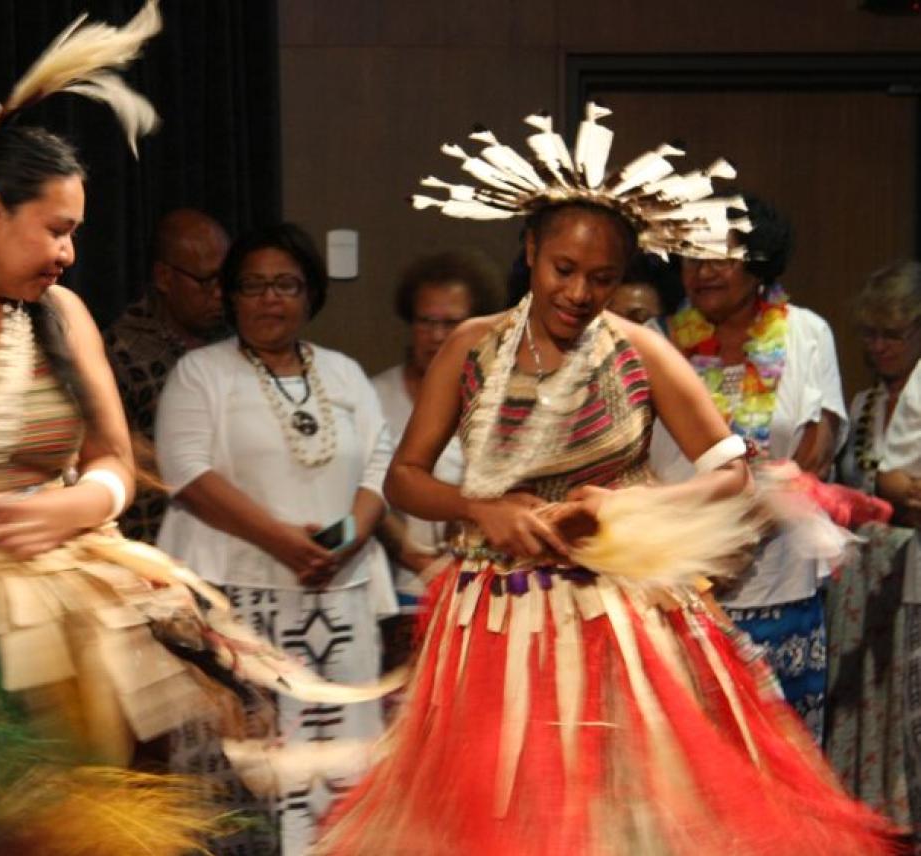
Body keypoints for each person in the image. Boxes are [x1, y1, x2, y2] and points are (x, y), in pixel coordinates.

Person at [0, 7, 367, 850]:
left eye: (74, 233)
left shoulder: (65, 317)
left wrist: (66, 509)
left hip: (54, 599)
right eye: (57, 229)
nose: (69, 253)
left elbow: (116, 464)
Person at [320, 104, 894, 854]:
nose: (580, 293)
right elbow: (405, 479)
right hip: (491, 614)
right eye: (564, 270)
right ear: (529, 250)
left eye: (603, 278)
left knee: (621, 818)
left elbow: (733, 474)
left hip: (614, 615)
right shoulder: (471, 346)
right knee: (500, 817)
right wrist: (478, 508)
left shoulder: (639, 349)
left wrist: (639, 504)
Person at [154, 222, 394, 854]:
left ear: (309, 294)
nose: (269, 299)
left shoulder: (343, 374)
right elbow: (186, 473)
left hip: (335, 599)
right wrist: (285, 542)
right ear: (230, 296)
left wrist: (339, 541)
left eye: (284, 284)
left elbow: (379, 465)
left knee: (339, 773)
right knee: (249, 785)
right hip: (238, 605)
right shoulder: (201, 373)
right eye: (253, 285)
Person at [655, 194, 846, 739]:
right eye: (691, 256)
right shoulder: (658, 339)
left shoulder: (807, 331)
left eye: (720, 255)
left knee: (784, 765)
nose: (702, 270)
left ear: (759, 259)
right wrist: (701, 556)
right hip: (683, 585)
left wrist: (742, 534)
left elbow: (816, 450)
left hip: (779, 585)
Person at [827, 259, 921, 827]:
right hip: (861, 585)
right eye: (870, 334)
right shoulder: (861, 408)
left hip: (913, 574)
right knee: (865, 699)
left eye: (894, 334)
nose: (880, 346)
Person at [369, 250, 493, 661]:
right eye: (427, 321)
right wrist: (415, 557)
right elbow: (366, 488)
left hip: (479, 586)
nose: (438, 336)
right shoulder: (375, 395)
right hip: (397, 589)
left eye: (451, 323)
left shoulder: (497, 402)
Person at [104, 207, 229, 542]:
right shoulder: (122, 351)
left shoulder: (234, 339)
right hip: (154, 535)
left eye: (226, 279)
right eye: (205, 281)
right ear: (164, 277)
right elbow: (113, 455)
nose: (219, 293)